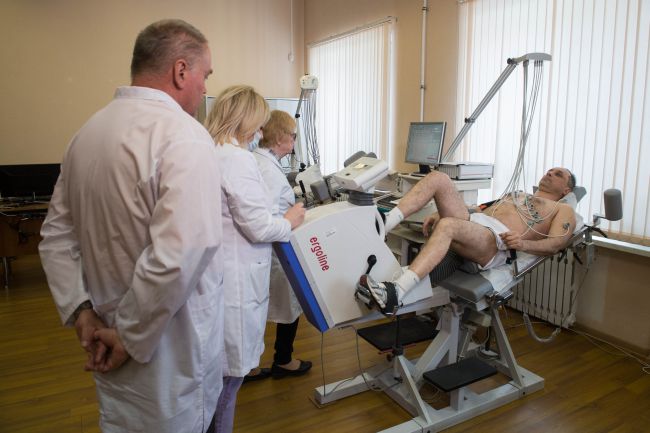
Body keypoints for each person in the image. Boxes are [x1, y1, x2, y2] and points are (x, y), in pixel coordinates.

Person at [39, 19, 224, 433]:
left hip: (103, 336)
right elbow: (180, 253)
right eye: (205, 75)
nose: (204, 88)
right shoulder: (185, 136)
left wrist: (82, 312)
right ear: (181, 71)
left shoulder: (87, 133)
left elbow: (55, 238)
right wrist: (128, 336)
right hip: (167, 355)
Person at [205, 87, 305, 433]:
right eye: (259, 125)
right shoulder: (237, 159)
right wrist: (290, 220)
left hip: (221, 275)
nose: (261, 133)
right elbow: (259, 225)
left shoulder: (212, 151)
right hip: (237, 280)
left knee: (216, 383)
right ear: (247, 120)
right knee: (228, 384)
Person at [356, 167, 577, 315]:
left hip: (495, 241)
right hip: (474, 223)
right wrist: (440, 211)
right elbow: (480, 209)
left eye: (557, 174)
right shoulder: (518, 195)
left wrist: (523, 244)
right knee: (439, 178)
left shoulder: (563, 209)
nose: (550, 173)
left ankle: (396, 292)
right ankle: (384, 225)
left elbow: (555, 244)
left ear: (566, 189)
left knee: (448, 225)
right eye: (549, 170)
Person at [244, 110, 312, 383]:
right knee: (287, 304)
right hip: (274, 251)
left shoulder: (261, 161)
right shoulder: (268, 171)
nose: (294, 141)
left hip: (267, 252)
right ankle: (283, 360)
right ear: (281, 137)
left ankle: (251, 365)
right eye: (293, 136)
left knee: (268, 308)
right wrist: (293, 213)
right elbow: (269, 217)